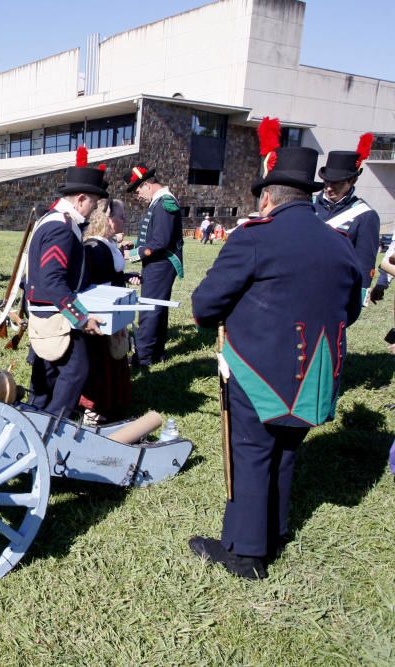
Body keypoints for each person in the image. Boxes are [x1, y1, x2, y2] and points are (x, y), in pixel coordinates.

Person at [190, 122, 362, 579]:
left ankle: (247, 553)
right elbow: (351, 310)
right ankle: (276, 529)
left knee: (251, 453)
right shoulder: (341, 244)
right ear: (307, 195)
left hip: (258, 370)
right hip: (316, 372)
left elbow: (206, 306)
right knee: (286, 450)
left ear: (268, 197)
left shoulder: (253, 237)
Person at [25, 148, 106, 419]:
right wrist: (81, 317)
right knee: (76, 370)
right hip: (54, 316)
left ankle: (38, 416)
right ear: (81, 198)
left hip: (49, 312)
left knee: (49, 374)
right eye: (93, 202)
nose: (95, 208)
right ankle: (53, 424)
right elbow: (52, 280)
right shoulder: (60, 226)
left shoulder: (59, 220)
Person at [122, 164, 184, 368]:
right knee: (158, 307)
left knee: (149, 308)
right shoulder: (158, 202)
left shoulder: (165, 202)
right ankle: (156, 352)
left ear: (147, 184)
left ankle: (144, 357)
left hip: (161, 262)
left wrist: (131, 254)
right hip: (157, 262)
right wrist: (135, 244)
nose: (137, 194)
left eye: (137, 189)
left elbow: (160, 242)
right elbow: (152, 235)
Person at [79, 198, 133, 424]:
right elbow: (97, 287)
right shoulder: (95, 247)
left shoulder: (106, 244)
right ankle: (93, 409)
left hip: (114, 309)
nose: (124, 220)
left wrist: (127, 278)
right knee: (101, 362)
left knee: (114, 359)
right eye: (120, 216)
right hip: (102, 314)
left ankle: (112, 404)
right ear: (108, 220)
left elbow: (113, 277)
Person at [313, 134, 382, 306]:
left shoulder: (365, 215)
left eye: (336, 183)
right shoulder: (308, 204)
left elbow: (364, 265)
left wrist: (355, 302)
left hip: (336, 292)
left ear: (352, 181)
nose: (329, 188)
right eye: (327, 181)